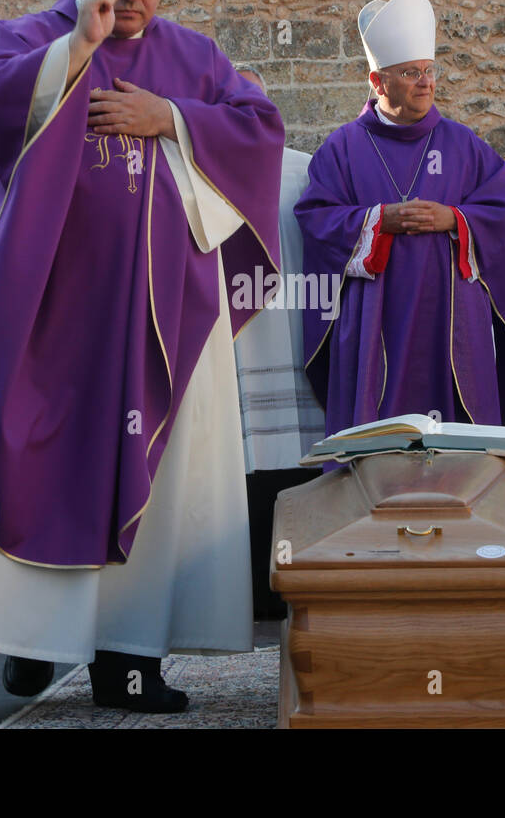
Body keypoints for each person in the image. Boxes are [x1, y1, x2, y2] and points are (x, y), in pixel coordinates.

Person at [0, 0, 283, 712]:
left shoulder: (191, 55)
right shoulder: (33, 36)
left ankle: (131, 659)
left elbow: (260, 128)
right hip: (49, 311)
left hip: (163, 315)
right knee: (42, 465)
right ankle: (33, 645)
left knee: (162, 475)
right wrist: (78, 45)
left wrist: (174, 120)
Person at [294, 0, 505, 438]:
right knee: (380, 433)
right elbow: (316, 220)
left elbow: (500, 210)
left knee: (456, 442)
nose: (425, 82)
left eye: (429, 71)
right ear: (378, 82)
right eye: (410, 74)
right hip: (374, 318)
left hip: (453, 316)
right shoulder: (342, 149)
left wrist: (454, 220)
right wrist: (381, 220)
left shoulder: (464, 146)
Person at [230, 67, 324, 619]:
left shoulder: (309, 170)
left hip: (294, 333)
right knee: (241, 468)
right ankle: (247, 590)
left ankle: (298, 582)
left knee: (296, 465)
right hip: (235, 339)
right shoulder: (201, 172)